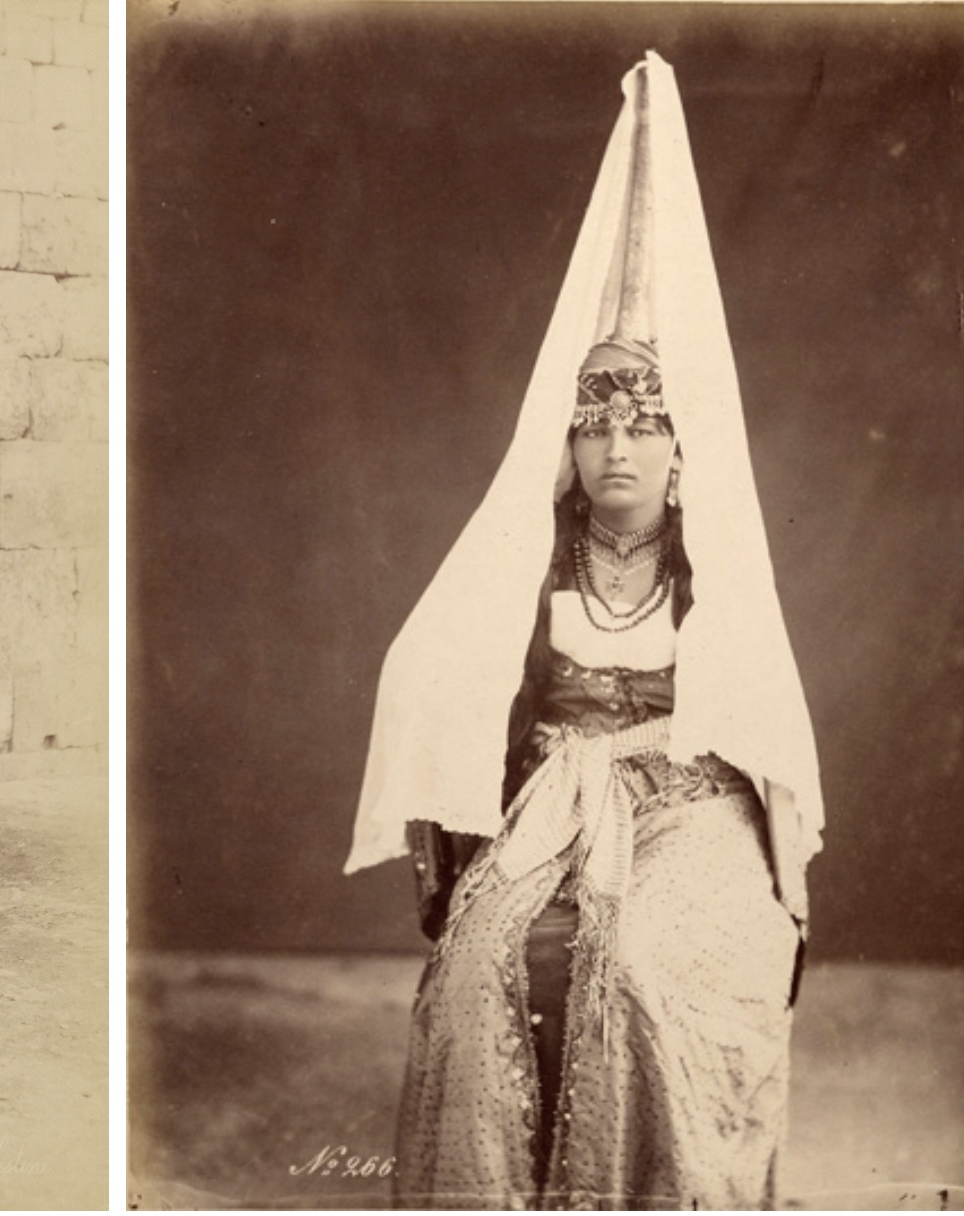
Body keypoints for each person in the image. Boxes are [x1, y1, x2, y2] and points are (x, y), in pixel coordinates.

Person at [348, 54, 822, 1207]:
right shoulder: (528, 565)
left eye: (642, 424)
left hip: (688, 805)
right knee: (475, 971)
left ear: (678, 447)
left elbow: (765, 742)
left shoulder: (716, 573)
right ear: (562, 445)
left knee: (644, 968)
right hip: (554, 801)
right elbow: (431, 667)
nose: (616, 446)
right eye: (593, 424)